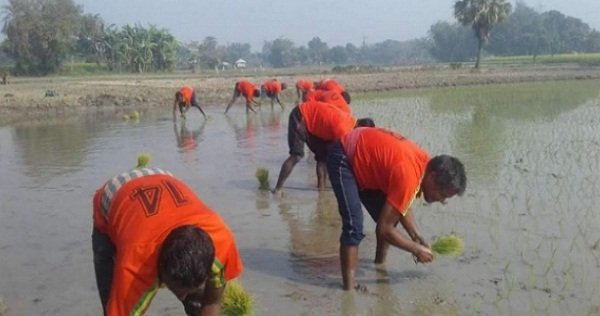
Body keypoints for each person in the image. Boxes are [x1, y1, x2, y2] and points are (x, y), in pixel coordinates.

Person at [326, 127, 467, 291]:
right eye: (442, 194)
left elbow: (402, 205)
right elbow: (384, 228)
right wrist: (415, 249)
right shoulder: (409, 175)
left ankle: (379, 265)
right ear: (433, 177)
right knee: (354, 225)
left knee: (388, 217)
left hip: (365, 161)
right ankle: (349, 290)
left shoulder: (425, 166)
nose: (442, 200)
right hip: (344, 157)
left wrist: (416, 236)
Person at [92, 166, 243, 315]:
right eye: (175, 288)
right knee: (111, 300)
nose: (182, 296)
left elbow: (212, 302)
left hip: (163, 177)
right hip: (114, 193)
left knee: (197, 302)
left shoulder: (221, 240)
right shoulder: (135, 263)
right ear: (158, 267)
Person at [272, 100, 375, 194]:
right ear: (360, 128)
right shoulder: (343, 129)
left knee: (323, 158)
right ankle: (277, 189)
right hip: (301, 115)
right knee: (297, 155)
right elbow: (339, 156)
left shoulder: (350, 122)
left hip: (315, 123)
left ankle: (321, 190)